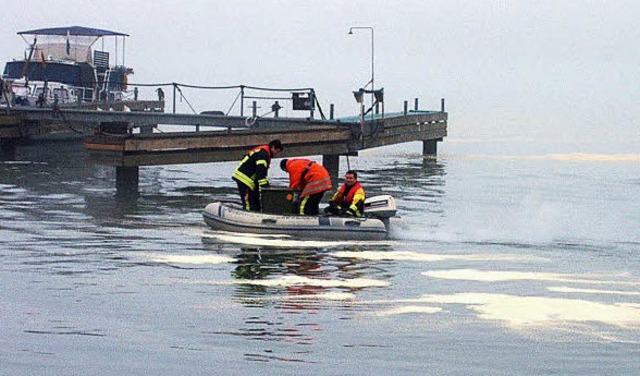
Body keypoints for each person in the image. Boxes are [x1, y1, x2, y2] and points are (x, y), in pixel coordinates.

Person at [232, 139, 283, 212]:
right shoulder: (263, 154)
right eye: (277, 151)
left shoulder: (263, 152)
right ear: (273, 147)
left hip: (250, 180)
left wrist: (266, 184)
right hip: (244, 179)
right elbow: (261, 172)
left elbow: (262, 174)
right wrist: (266, 187)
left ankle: (256, 212)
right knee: (248, 202)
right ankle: (248, 216)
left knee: (255, 200)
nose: (277, 154)